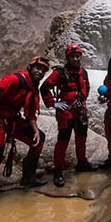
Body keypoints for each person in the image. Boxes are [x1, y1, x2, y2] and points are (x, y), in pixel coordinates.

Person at [0, 56, 50, 204]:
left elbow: (30, 112)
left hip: (12, 119)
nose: (40, 72)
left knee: (38, 139)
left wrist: (35, 130)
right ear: (30, 68)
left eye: (43, 70)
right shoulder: (15, 79)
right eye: (38, 68)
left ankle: (28, 177)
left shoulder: (33, 85)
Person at [41, 43, 96, 188]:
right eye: (73, 56)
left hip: (80, 110)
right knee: (63, 140)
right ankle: (58, 171)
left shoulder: (83, 72)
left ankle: (82, 162)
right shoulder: (59, 73)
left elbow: (87, 87)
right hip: (66, 112)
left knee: (81, 137)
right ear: (68, 57)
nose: (76, 59)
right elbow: (45, 87)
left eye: (78, 56)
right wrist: (53, 103)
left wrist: (82, 100)